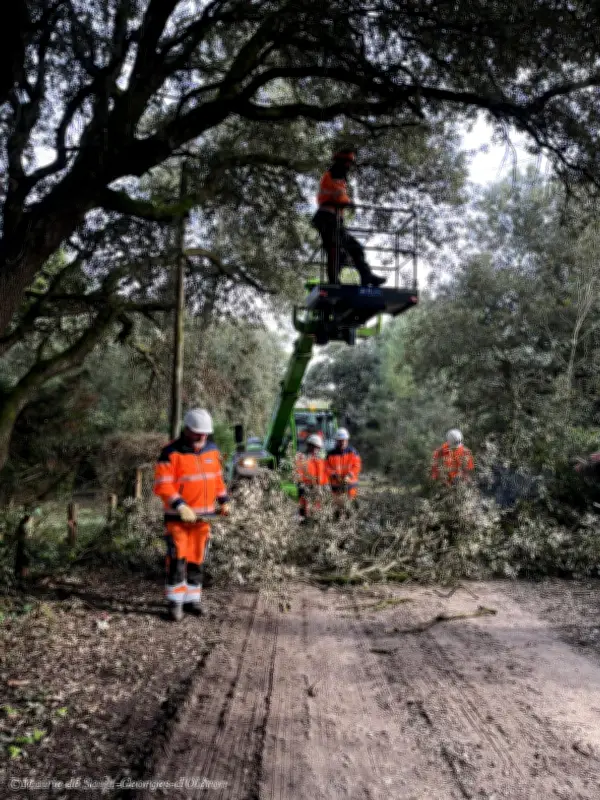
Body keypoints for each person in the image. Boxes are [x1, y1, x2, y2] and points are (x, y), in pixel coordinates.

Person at [153, 408, 230, 622]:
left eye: (205, 433)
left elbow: (217, 479)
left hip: (204, 518)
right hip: (178, 519)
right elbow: (163, 485)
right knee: (178, 559)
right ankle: (175, 603)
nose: (202, 437)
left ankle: (192, 600)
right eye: (198, 433)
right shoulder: (170, 453)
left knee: (197, 559)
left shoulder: (212, 451)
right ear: (186, 430)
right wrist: (180, 505)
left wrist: (224, 500)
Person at [311, 147, 386, 287]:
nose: (349, 166)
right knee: (337, 250)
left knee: (351, 249)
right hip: (327, 219)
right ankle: (336, 281)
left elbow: (340, 197)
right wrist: (348, 203)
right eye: (348, 162)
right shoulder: (333, 175)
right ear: (341, 161)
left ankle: (366, 277)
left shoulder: (337, 177)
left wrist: (348, 203)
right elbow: (338, 198)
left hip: (333, 219)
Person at [326, 428, 362, 515]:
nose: (342, 442)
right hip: (336, 487)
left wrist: (349, 475)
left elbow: (357, 466)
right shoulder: (331, 454)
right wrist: (334, 475)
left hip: (350, 486)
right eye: (340, 441)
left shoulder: (353, 452)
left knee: (350, 509)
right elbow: (326, 467)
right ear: (337, 441)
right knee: (337, 510)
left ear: (347, 440)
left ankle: (350, 523)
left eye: (344, 440)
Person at [295, 433, 329, 522]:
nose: (316, 449)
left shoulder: (320, 460)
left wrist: (324, 486)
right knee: (303, 513)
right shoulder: (301, 458)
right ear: (309, 446)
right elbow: (299, 475)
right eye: (314, 447)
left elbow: (324, 475)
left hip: (317, 489)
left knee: (316, 512)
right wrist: (303, 486)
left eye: (317, 448)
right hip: (305, 488)